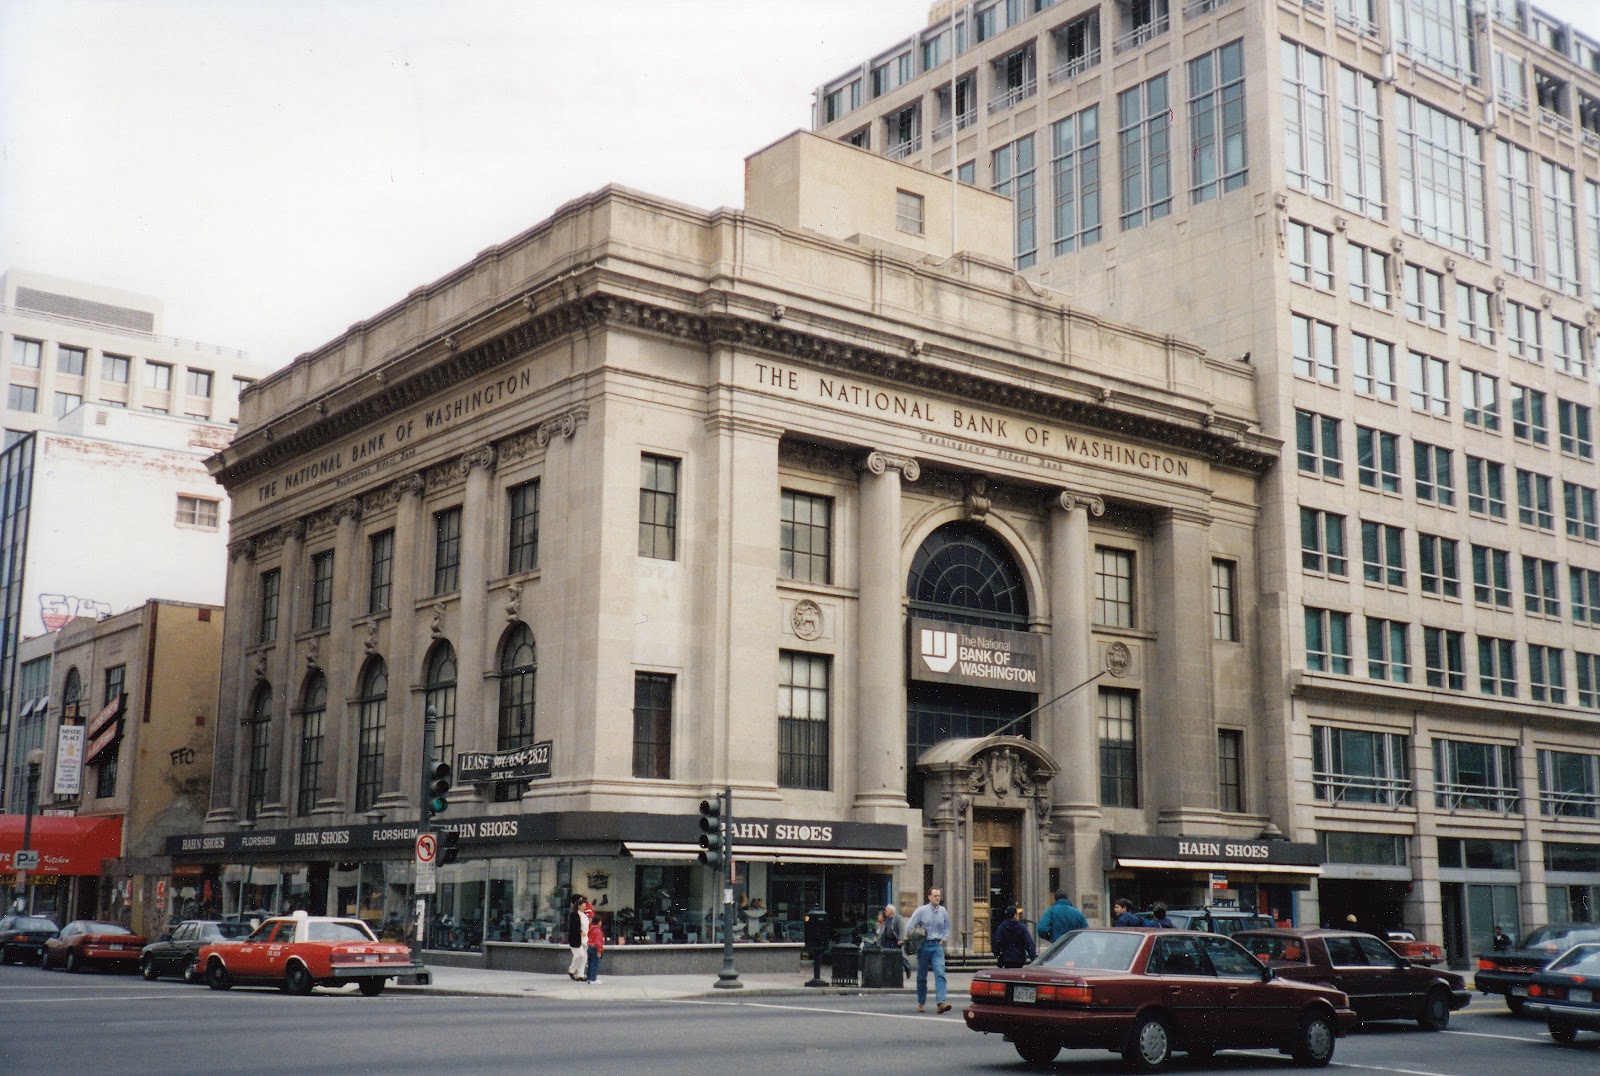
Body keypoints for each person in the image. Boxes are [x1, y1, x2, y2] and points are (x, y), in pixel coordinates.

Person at [906, 886, 952, 1014]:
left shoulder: (943, 911)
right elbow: (910, 926)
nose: (937, 898)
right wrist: (915, 937)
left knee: (940, 972)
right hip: (924, 945)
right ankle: (921, 1002)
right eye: (935, 896)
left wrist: (943, 939)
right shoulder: (921, 911)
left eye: (939, 896)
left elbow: (947, 927)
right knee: (922, 975)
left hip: (937, 946)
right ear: (929, 897)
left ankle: (941, 1002)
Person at [566, 894, 590, 981]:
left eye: (585, 906)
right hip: (576, 938)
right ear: (578, 906)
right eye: (583, 906)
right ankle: (572, 970)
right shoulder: (574, 914)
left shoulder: (584, 915)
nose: (584, 908)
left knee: (584, 957)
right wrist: (580, 932)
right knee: (579, 954)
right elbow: (573, 926)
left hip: (584, 938)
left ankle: (580, 974)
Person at [586, 915, 605, 984]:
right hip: (595, 948)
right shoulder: (597, 930)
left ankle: (589, 978)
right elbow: (598, 941)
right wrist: (599, 950)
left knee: (590, 963)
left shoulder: (591, 929)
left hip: (590, 947)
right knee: (595, 964)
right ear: (599, 922)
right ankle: (593, 979)